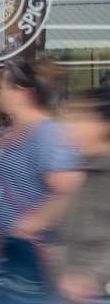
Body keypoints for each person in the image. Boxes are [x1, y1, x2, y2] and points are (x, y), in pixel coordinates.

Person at [0, 60, 83, 304]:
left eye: (3, 85)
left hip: (35, 257)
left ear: (22, 93)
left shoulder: (46, 133)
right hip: (13, 255)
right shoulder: (13, 136)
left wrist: (28, 224)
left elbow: (71, 190)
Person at [55, 87, 110, 302]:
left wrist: (91, 278)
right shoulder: (87, 170)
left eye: (79, 119)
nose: (69, 128)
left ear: (104, 125)